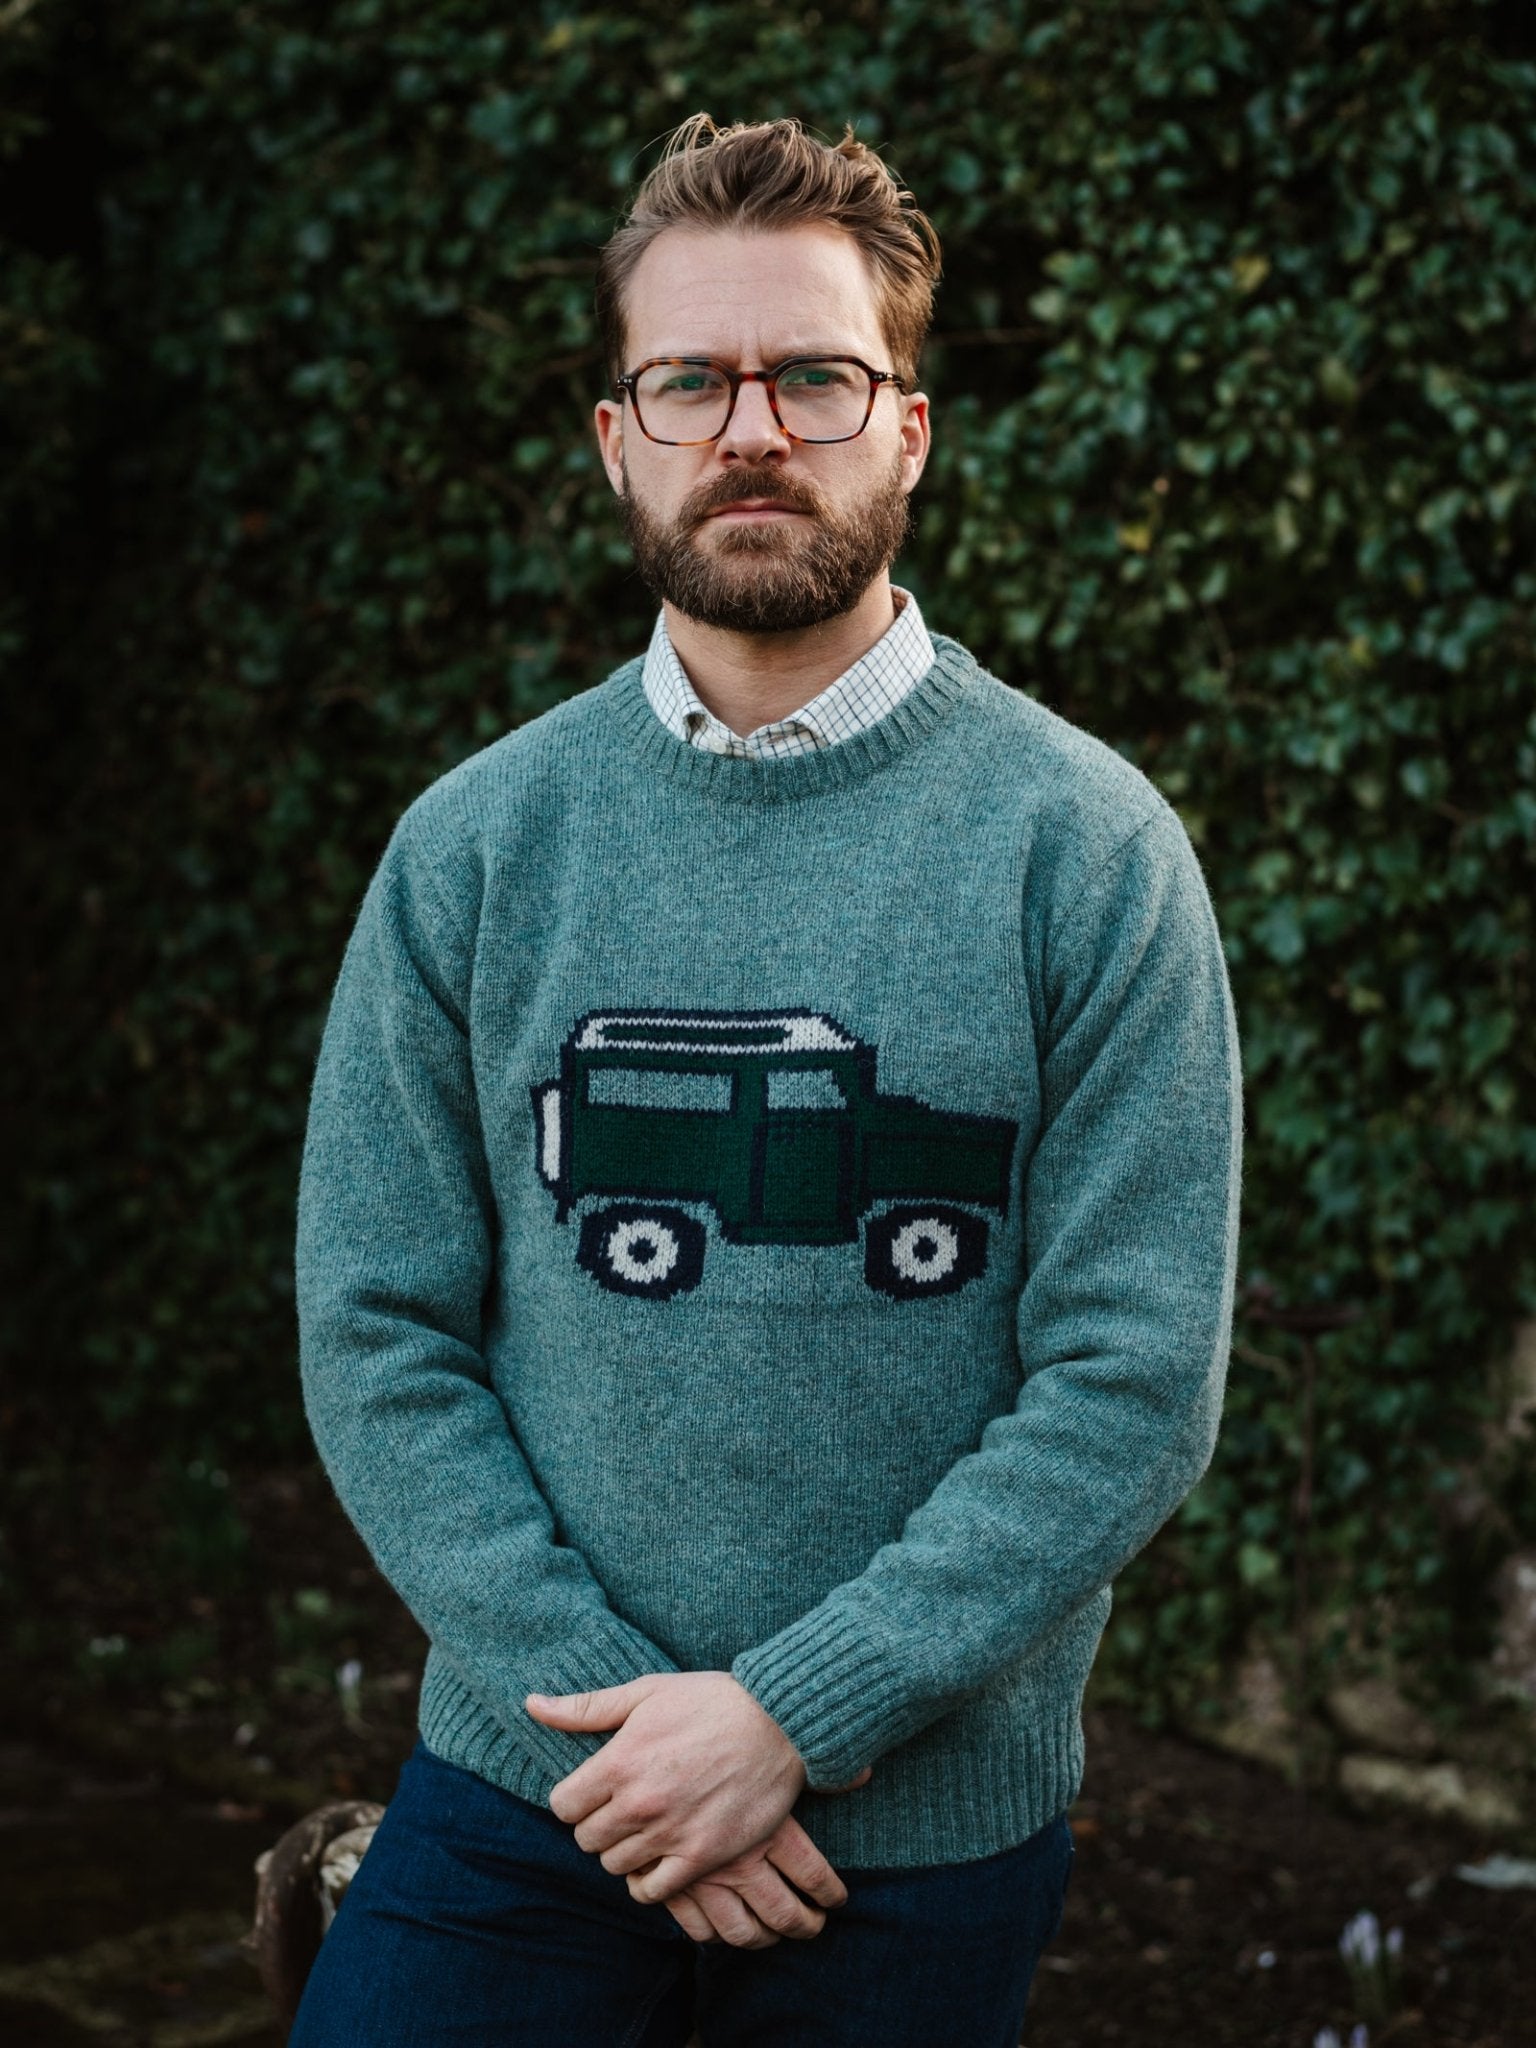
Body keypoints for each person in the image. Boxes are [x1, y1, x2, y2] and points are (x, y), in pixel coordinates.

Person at [289, 112, 1243, 2047]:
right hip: (529, 1791)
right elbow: (377, 1326)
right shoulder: (476, 848)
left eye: (815, 376)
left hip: (916, 1845)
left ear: (908, 427)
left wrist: (793, 1717)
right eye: (691, 381)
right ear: (616, 436)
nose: (751, 430)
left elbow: (1133, 1379)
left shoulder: (1087, 851)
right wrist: (633, 1752)